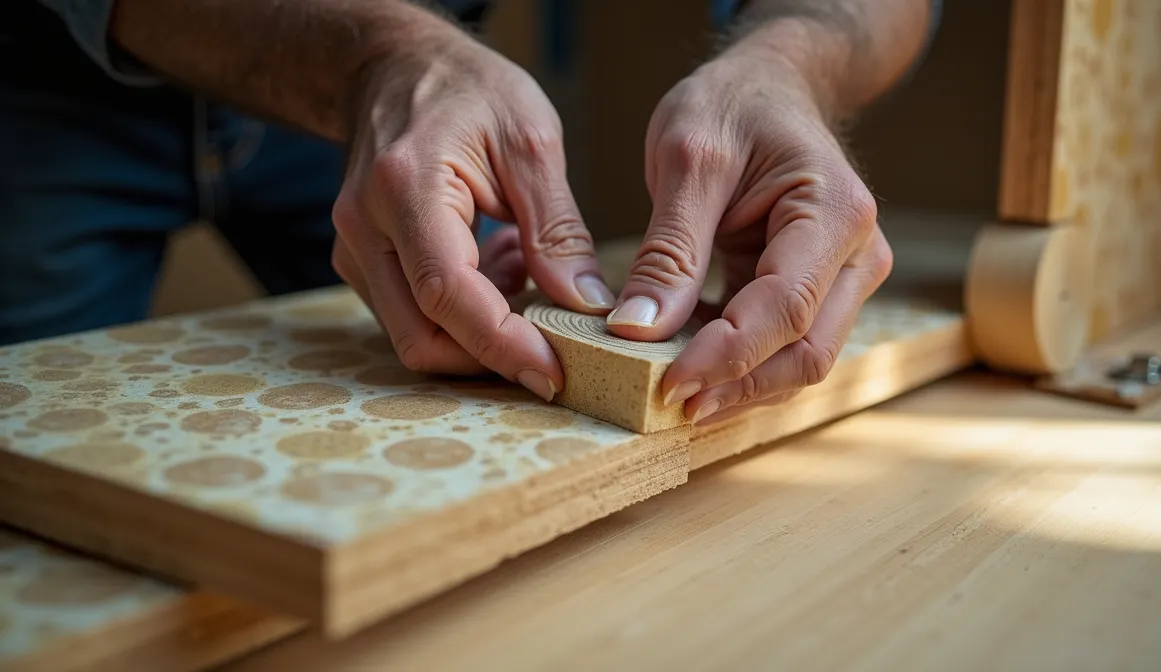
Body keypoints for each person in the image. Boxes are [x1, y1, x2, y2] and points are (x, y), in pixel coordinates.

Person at [1, 0, 941, 425]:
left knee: (444, 370)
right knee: (30, 445)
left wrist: (789, 63)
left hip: (422, 101)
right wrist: (375, 56)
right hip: (47, 75)